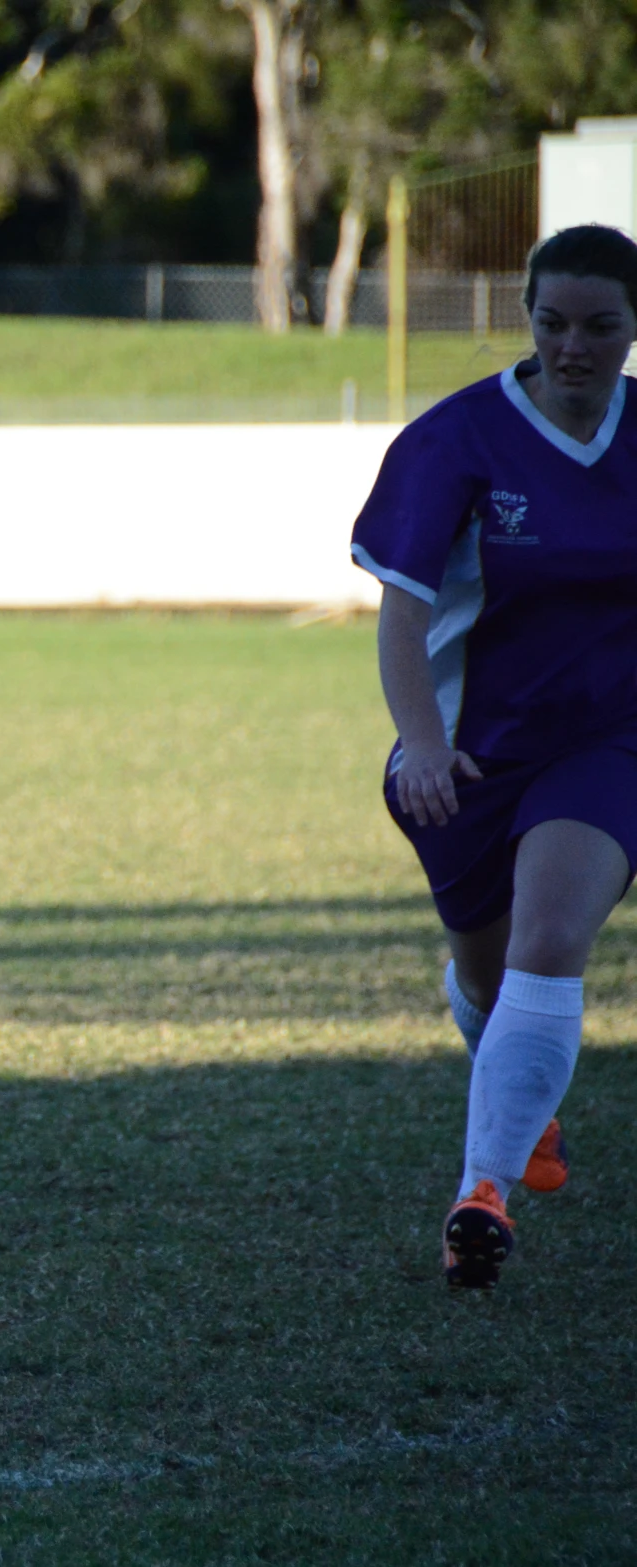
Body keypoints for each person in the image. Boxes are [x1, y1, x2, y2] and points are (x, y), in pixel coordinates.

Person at [352, 223, 637, 1289]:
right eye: (552, 323)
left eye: (600, 326)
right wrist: (422, 742)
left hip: (609, 742)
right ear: (525, 318)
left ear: (631, 327)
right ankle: (524, 1098)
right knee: (487, 969)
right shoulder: (456, 440)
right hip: (471, 755)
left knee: (551, 937)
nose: (574, 347)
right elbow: (401, 611)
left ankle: (482, 1196)